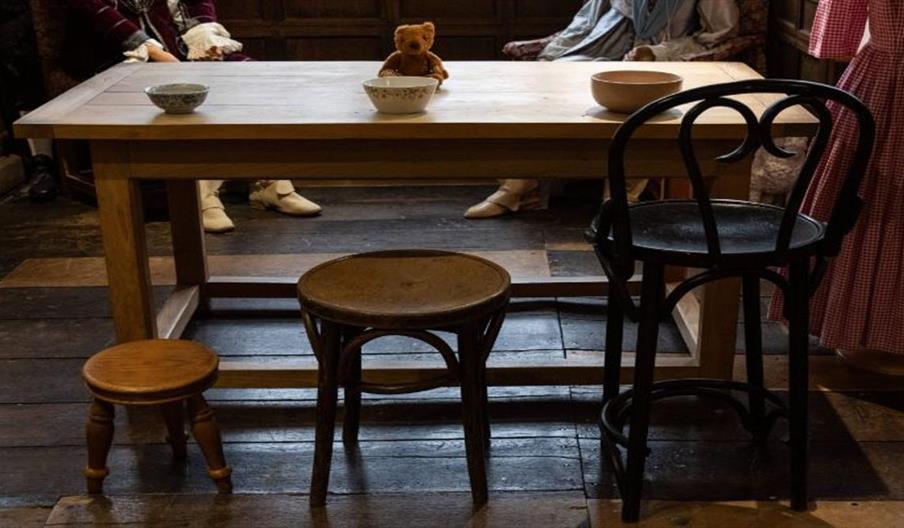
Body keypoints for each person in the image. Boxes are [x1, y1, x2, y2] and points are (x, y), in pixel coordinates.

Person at [465, 0, 739, 219]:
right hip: (601, 52)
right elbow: (585, 22)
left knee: (639, 105)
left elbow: (718, 36)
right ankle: (518, 189)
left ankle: (621, 198)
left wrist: (657, 52)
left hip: (660, 63)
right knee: (545, 93)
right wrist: (552, 55)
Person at [68, 0, 322, 232]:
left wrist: (206, 39)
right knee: (185, 95)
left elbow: (198, 4)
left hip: (177, 47)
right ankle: (202, 194)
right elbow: (95, 11)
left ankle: (268, 183)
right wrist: (156, 53)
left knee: (252, 77)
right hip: (120, 55)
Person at [770, 0, 904, 373]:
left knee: (870, 203)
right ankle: (873, 329)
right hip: (883, 81)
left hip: (881, 80)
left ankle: (867, 325)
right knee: (870, 203)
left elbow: (838, 38)